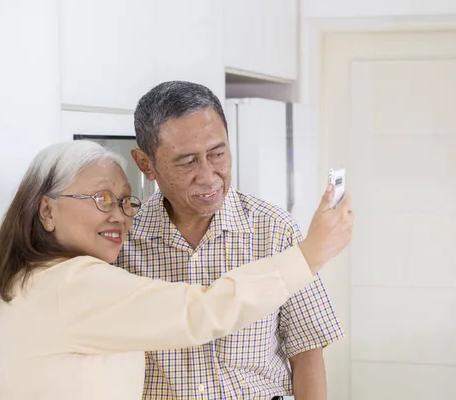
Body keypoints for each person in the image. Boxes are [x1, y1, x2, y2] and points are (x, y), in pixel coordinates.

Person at [0, 140, 353, 400]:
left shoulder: (28, 279)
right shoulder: (72, 283)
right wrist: (309, 255)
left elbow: (306, 349)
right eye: (102, 198)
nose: (119, 217)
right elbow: (200, 311)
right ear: (47, 210)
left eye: (124, 201)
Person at [119, 81, 348, 400]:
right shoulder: (122, 242)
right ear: (146, 164)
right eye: (187, 162)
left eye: (218, 153)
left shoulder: (273, 229)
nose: (209, 176)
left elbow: (306, 350)